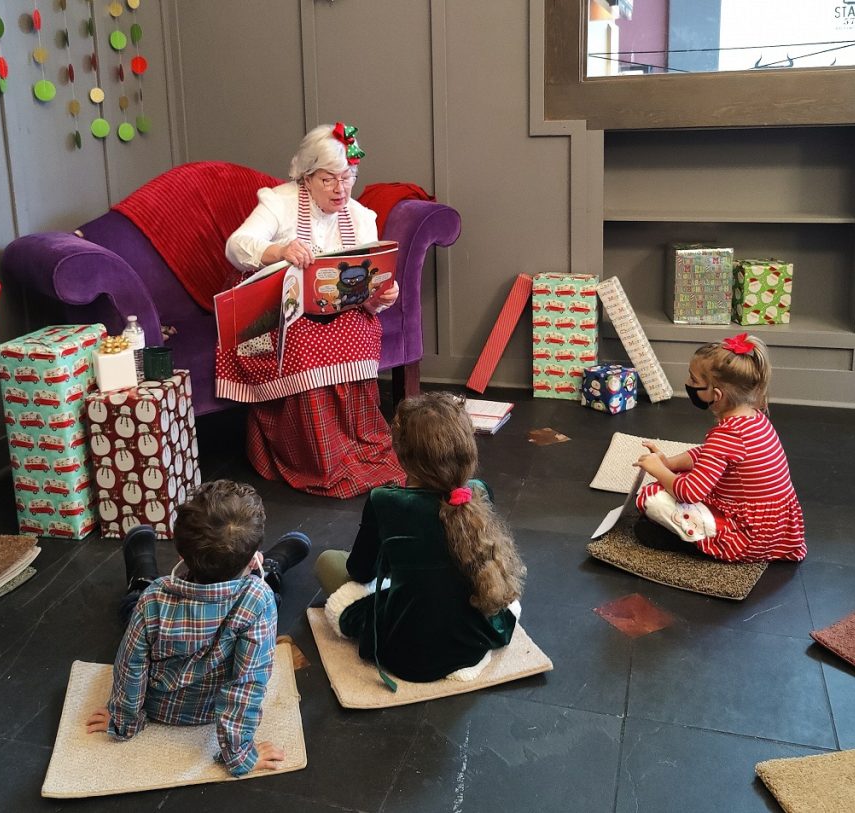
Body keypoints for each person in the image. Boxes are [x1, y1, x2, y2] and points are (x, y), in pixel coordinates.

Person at [217, 122, 405, 499]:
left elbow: (369, 284)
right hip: (283, 314)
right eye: (328, 180)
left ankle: (356, 446)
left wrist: (382, 295)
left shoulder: (361, 216)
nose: (341, 189)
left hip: (340, 312)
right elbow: (237, 246)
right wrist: (279, 251)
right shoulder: (279, 201)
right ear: (306, 176)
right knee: (305, 341)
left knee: (356, 330)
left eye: (348, 177)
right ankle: (316, 458)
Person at [85, 480, 311, 777]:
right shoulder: (258, 599)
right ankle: (272, 565)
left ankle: (140, 567)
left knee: (135, 603)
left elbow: (131, 666)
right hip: (211, 709)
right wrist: (239, 755)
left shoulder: (154, 597)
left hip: (159, 708)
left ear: (181, 553)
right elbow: (248, 684)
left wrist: (124, 720)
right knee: (267, 592)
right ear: (253, 554)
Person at [314, 392, 526, 685]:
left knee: (329, 563)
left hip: (407, 652)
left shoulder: (384, 500)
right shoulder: (478, 491)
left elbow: (361, 571)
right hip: (475, 639)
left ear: (402, 455)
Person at [633, 333, 806, 562]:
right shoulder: (754, 417)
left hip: (750, 537)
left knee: (651, 496)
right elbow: (708, 455)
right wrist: (670, 463)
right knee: (679, 475)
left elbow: (690, 492)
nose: (688, 384)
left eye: (694, 381)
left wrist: (658, 469)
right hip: (779, 530)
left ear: (716, 395)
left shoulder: (727, 434)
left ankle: (695, 543)